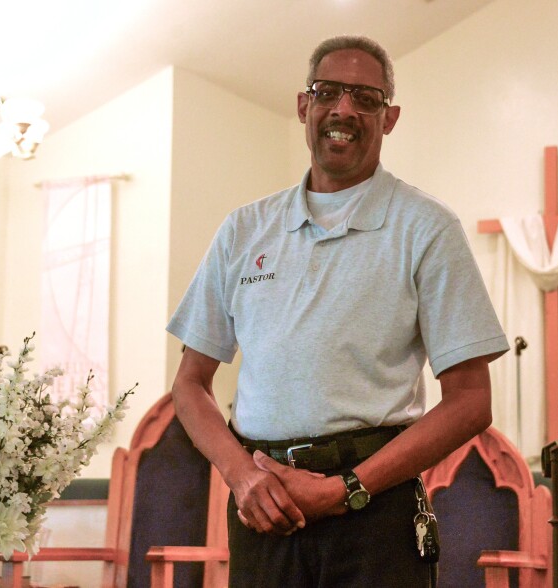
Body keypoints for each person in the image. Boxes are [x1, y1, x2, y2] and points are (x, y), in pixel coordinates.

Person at [167, 35, 509, 587]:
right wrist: (239, 477)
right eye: (328, 92)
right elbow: (189, 384)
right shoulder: (243, 230)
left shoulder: (426, 228)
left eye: (365, 98)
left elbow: (470, 401)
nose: (344, 109)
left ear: (389, 118)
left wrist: (345, 489)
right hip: (263, 506)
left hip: (375, 511)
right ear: (304, 106)